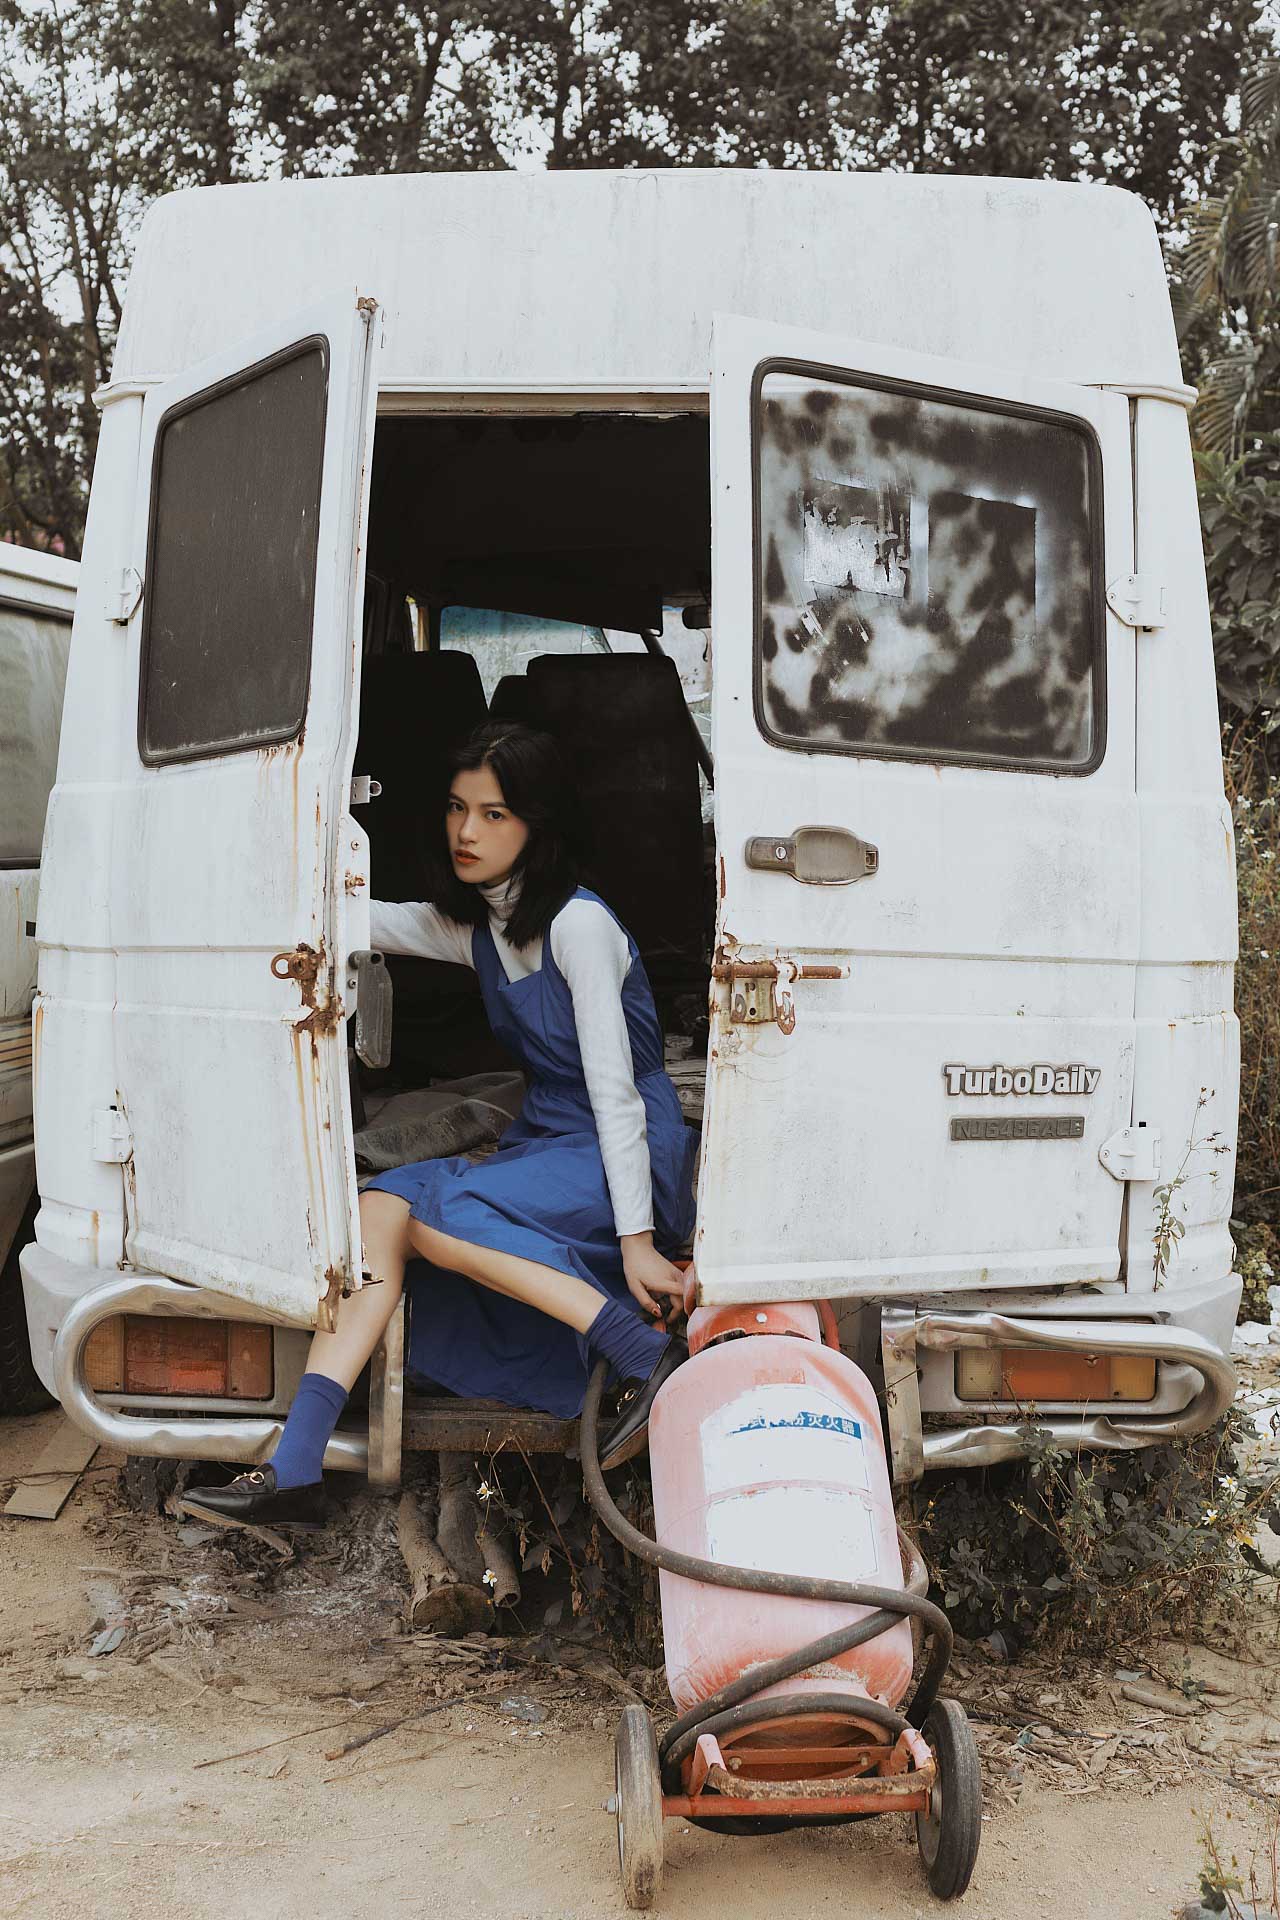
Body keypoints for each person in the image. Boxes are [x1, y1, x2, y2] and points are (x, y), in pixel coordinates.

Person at [181, 721, 696, 1531]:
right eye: (458, 808)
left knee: (437, 1212)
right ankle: (296, 1467)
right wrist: (233, 874)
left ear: (538, 824)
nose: (467, 831)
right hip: (550, 1135)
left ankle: (641, 1351)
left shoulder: (580, 926)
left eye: (494, 814)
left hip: (622, 1142)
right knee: (380, 1207)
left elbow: (618, 1097)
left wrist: (637, 1241)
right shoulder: (480, 926)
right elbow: (362, 920)